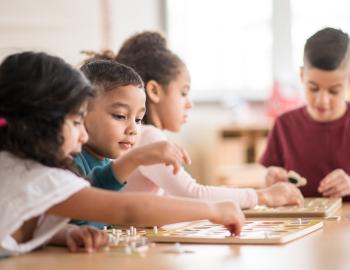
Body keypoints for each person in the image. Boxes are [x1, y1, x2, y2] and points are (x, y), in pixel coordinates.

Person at [0, 51, 244, 257]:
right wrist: (213, 210)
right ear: (42, 123)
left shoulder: (15, 168)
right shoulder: (35, 177)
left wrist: (65, 233)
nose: (83, 136)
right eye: (76, 122)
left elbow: (31, 218)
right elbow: (130, 210)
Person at [84, 31, 303, 209]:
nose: (189, 103)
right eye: (183, 92)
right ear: (154, 91)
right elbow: (193, 194)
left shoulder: (146, 136)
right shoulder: (148, 137)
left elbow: (176, 200)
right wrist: (263, 196)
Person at [260, 27, 350, 199]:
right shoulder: (284, 125)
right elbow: (267, 177)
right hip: (298, 221)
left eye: (333, 91)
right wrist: (270, 180)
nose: (322, 100)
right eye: (313, 88)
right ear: (302, 76)